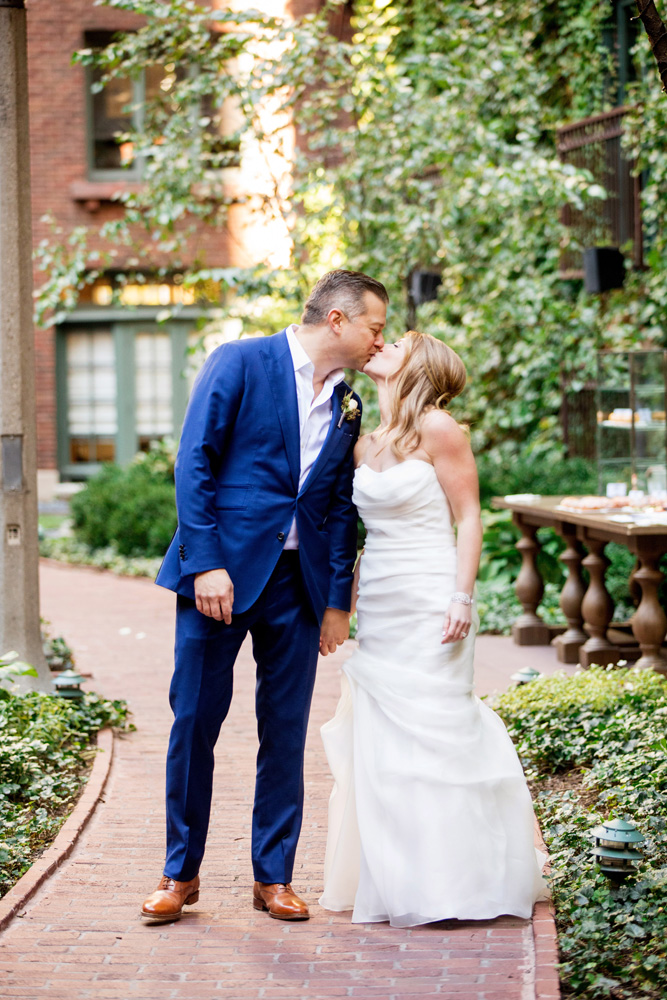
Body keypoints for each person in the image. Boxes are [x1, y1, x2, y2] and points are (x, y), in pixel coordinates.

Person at [141, 270, 388, 923]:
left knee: (285, 731)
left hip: (296, 587)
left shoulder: (348, 403)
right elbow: (193, 459)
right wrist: (206, 564)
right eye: (374, 326)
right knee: (194, 721)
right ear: (336, 319)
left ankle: (272, 876)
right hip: (219, 577)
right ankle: (179, 873)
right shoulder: (241, 360)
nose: (378, 340)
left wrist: (336, 601)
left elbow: (336, 508)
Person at [319, 330, 546, 927]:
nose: (382, 343)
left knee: (439, 725)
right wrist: (344, 600)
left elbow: (469, 517)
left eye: (396, 341)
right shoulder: (362, 440)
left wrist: (461, 596)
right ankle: (402, 877)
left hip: (432, 593)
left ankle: (459, 881)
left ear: (416, 363)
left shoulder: (440, 429)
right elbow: (354, 531)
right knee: (389, 737)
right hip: (385, 603)